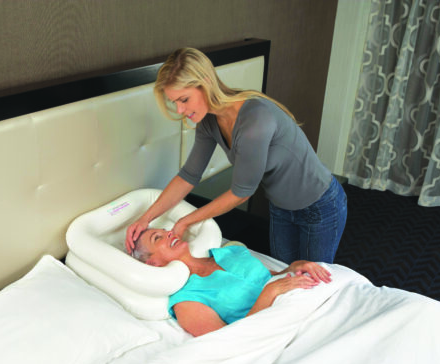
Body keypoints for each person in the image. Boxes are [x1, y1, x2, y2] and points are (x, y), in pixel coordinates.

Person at [125, 47, 347, 265]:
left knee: (314, 285)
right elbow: (189, 175)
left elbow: (242, 193)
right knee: (286, 276)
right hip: (280, 208)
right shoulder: (208, 121)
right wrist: (146, 218)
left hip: (318, 205)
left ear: (206, 82)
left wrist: (186, 221)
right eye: (175, 102)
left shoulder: (254, 122)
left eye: (184, 99)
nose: (180, 110)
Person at [131, 228, 331, 337]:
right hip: (281, 328)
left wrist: (295, 267)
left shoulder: (230, 251)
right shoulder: (186, 299)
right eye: (158, 238)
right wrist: (268, 294)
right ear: (153, 263)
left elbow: (274, 279)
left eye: (165, 230)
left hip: (308, 301)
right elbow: (227, 341)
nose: (169, 233)